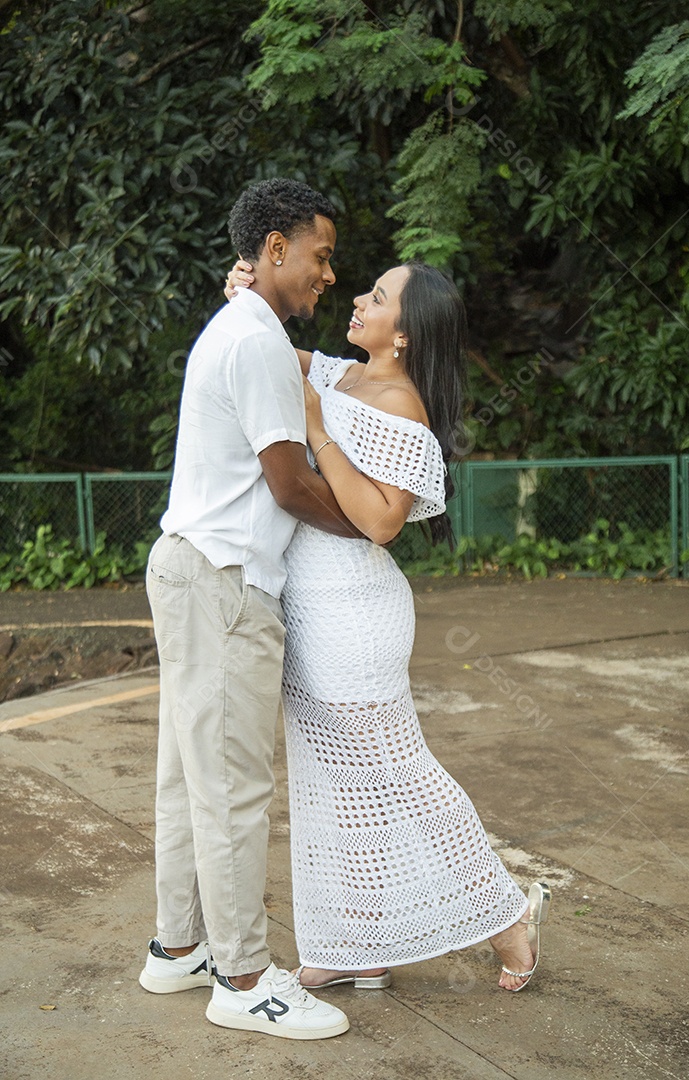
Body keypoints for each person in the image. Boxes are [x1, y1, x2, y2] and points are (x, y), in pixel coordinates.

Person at [224, 257, 552, 994]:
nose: (359, 301)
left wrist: (315, 428)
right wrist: (244, 289)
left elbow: (379, 522)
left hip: (356, 613)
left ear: (405, 335)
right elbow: (270, 343)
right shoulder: (340, 374)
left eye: (378, 297)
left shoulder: (402, 405)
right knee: (329, 781)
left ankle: (508, 919)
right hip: (306, 604)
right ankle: (352, 944)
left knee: (397, 775)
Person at [139, 178, 363, 1041]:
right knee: (232, 786)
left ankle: (178, 946)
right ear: (275, 249)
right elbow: (290, 480)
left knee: (187, 776)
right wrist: (367, 527)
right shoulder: (258, 338)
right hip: (225, 582)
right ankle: (241, 977)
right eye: (320, 255)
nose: (327, 275)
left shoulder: (239, 326)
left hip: (191, 569)